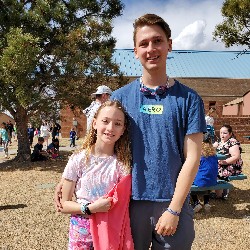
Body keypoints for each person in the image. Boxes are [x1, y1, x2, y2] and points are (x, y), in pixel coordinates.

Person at [55, 13, 206, 249]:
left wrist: (174, 209)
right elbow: (102, 143)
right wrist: (70, 178)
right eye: (143, 44)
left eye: (157, 41)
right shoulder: (121, 98)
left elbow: (193, 158)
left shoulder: (189, 99)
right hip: (127, 204)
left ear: (170, 44)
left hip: (171, 201)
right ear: (135, 51)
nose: (151, 48)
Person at [58, 100, 133, 249]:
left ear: (123, 129)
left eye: (117, 124)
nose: (110, 128)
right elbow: (64, 205)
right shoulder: (78, 159)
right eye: (105, 121)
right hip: (81, 231)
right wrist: (91, 207)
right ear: (94, 124)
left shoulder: (122, 165)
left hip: (109, 229)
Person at [213, 124, 243, 199]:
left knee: (215, 172)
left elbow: (236, 156)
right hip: (221, 165)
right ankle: (219, 193)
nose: (222, 135)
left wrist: (224, 162)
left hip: (231, 166)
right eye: (221, 133)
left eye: (225, 133)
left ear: (230, 134)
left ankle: (223, 192)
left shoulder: (232, 142)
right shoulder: (220, 142)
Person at [190, 133, 218, 213]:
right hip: (213, 181)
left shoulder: (198, 153)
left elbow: (193, 167)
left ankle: (196, 203)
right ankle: (206, 203)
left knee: (189, 182)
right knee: (207, 177)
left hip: (201, 181)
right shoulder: (214, 154)